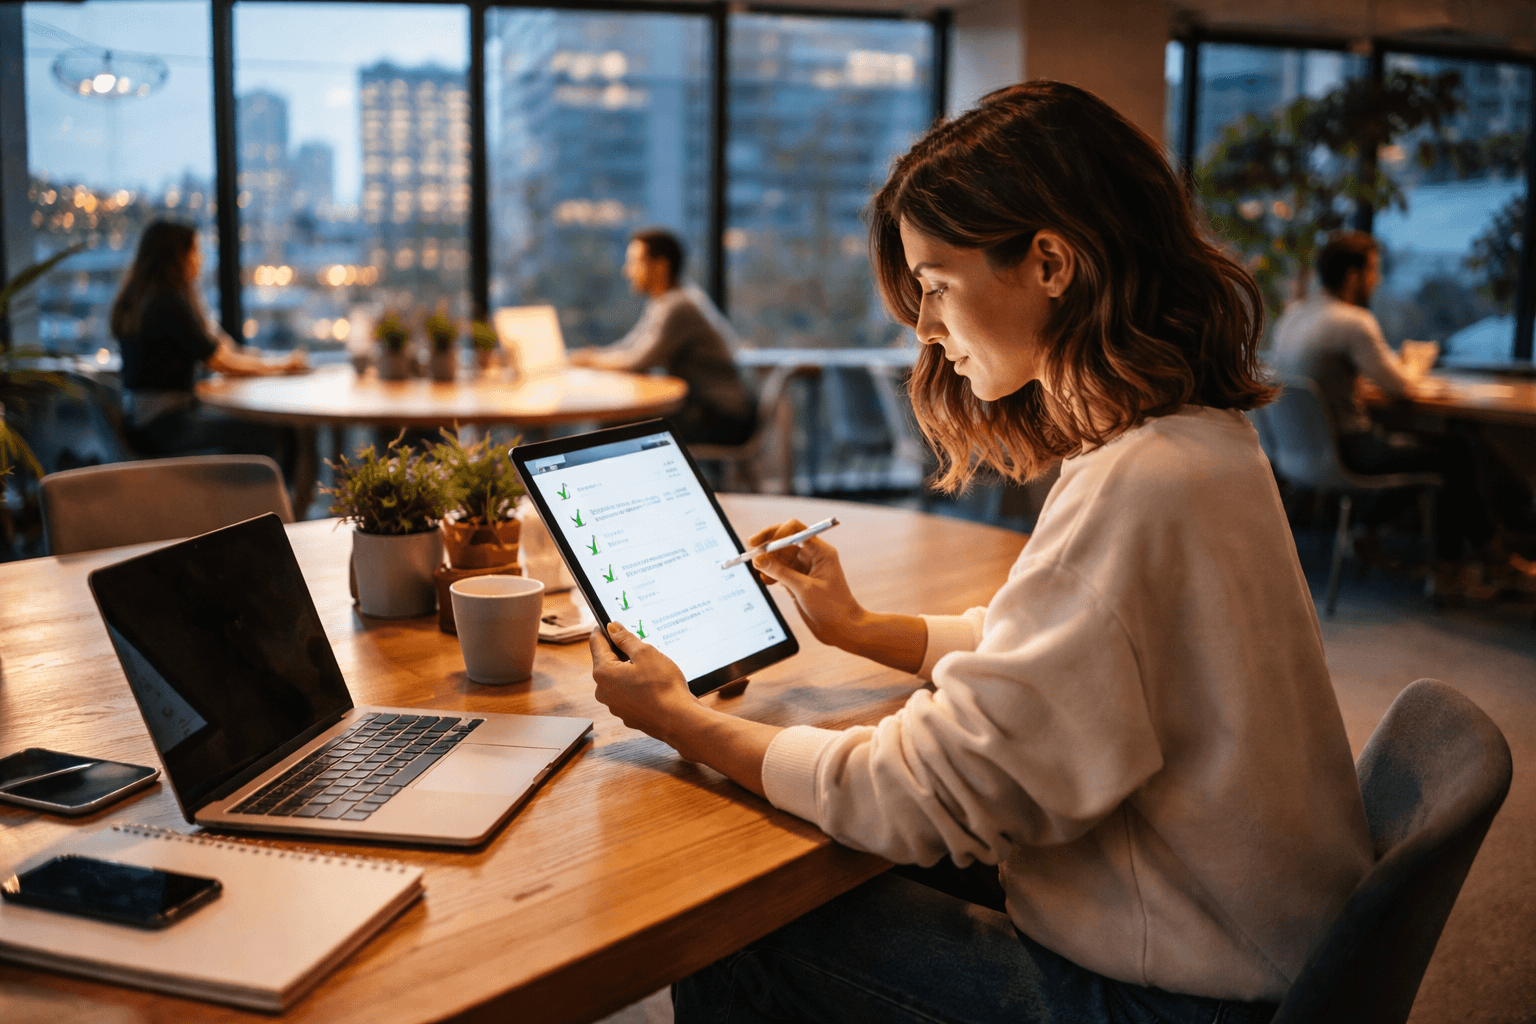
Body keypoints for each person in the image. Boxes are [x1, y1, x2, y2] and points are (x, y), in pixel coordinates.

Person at [587, 82, 1372, 1024]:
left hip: (1177, 996)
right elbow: (1076, 653)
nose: (922, 326)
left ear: (1050, 262)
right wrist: (860, 628)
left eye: (935, 284)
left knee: (732, 927)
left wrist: (679, 720)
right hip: (1246, 945)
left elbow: (922, 795)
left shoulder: (1140, 483)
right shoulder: (1196, 441)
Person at [1272, 231, 1501, 589]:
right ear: (1353, 276)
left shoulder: (1293, 316)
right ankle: (1461, 569)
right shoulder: (1352, 321)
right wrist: (1416, 364)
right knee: (1455, 453)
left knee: (1428, 453)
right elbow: (1401, 388)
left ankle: (1365, 530)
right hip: (1348, 450)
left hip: (1295, 454)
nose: (1377, 280)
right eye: (1373, 270)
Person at [111, 220, 305, 458]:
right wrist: (280, 366)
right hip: (163, 426)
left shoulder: (142, 299)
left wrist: (268, 363)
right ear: (179, 257)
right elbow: (218, 360)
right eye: (195, 251)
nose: (200, 259)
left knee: (266, 430)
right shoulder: (168, 303)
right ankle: (278, 484)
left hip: (142, 423)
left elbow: (218, 347)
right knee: (274, 432)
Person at [568, 229, 756, 445]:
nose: (627, 271)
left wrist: (587, 359)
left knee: (614, 426)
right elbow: (630, 347)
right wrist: (589, 356)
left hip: (723, 417)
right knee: (615, 425)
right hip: (715, 410)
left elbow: (637, 360)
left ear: (660, 266)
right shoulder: (666, 301)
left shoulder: (678, 306)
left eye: (634, 262)